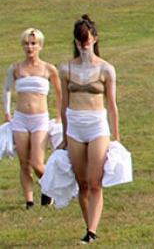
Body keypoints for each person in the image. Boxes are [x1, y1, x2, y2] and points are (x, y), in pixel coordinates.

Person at [58, 15, 120, 244]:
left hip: (97, 125)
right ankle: (89, 226)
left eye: (87, 40)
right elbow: (63, 105)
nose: (84, 45)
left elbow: (112, 106)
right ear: (75, 42)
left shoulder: (106, 69)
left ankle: (91, 231)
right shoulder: (65, 69)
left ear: (95, 39)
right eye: (80, 41)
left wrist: (116, 137)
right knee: (81, 182)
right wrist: (64, 136)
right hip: (75, 125)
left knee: (95, 181)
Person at [4, 27, 61, 208]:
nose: (30, 47)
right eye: (27, 44)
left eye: (33, 43)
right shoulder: (15, 68)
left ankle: (49, 188)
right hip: (20, 118)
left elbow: (61, 93)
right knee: (24, 163)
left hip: (40, 119)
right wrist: (6, 112)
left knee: (37, 162)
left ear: (40, 46)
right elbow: (6, 89)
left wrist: (60, 115)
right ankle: (29, 201)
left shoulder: (48, 69)